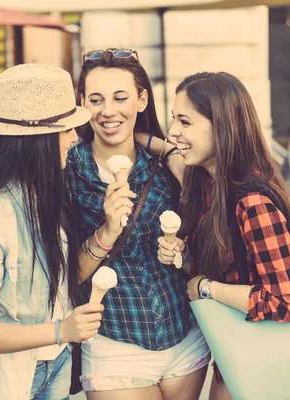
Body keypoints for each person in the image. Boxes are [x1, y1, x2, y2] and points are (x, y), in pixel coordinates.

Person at [0, 64, 103, 400]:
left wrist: (109, 231)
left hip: (55, 362)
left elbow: (61, 277)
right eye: (65, 129)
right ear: (35, 140)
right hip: (5, 377)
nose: (74, 137)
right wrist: (60, 331)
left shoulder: (43, 193)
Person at [155, 72, 290, 400]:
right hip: (236, 356)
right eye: (174, 120)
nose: (174, 131)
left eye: (185, 122)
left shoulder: (252, 200)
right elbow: (231, 266)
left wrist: (205, 288)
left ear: (222, 127)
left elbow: (286, 302)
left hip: (262, 363)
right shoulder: (211, 188)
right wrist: (183, 258)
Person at [65, 48, 210, 400]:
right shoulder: (67, 171)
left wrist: (181, 251)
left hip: (184, 338)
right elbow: (66, 274)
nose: (108, 111)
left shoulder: (170, 166)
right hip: (113, 343)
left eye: (121, 97)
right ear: (82, 103)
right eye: (96, 99)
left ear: (142, 100)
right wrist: (106, 233)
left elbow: (207, 246)